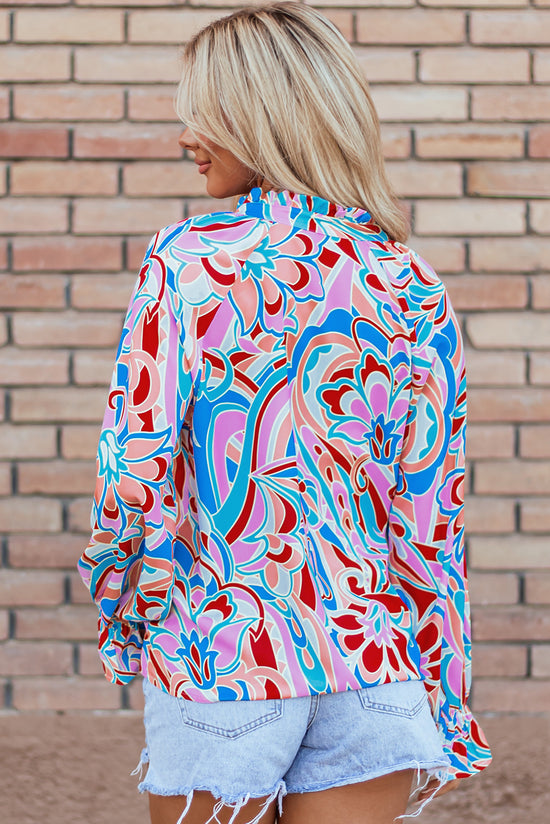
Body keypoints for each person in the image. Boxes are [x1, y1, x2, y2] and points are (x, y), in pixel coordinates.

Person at [78, 4, 491, 823]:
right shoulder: (410, 280)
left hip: (225, 652)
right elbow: (432, 512)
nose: (184, 133)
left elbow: (136, 473)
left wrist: (136, 620)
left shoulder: (188, 263)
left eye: (205, 110)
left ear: (263, 116)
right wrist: (442, 678)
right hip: (373, 656)